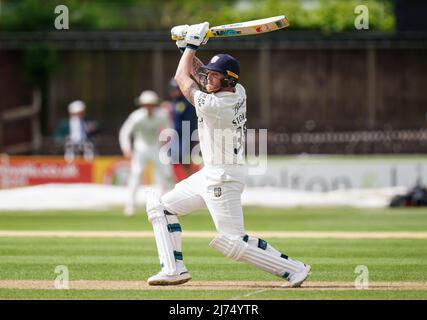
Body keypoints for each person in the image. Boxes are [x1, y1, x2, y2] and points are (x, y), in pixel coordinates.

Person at [144, 23, 311, 287]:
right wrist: (184, 47)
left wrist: (191, 46)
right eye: (209, 74)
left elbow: (183, 79)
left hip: (223, 178)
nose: (208, 78)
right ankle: (173, 269)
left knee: (232, 241)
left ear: (229, 80)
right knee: (161, 207)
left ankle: (294, 269)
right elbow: (197, 72)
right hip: (209, 173)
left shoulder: (216, 105)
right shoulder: (237, 91)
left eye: (215, 76)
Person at [119, 90, 173, 216]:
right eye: (146, 104)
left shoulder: (162, 114)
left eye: (151, 104)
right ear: (142, 105)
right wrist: (126, 148)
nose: (149, 107)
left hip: (156, 146)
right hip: (141, 147)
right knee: (136, 173)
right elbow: (125, 132)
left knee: (167, 174)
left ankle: (172, 204)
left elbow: (169, 129)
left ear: (155, 105)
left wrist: (166, 139)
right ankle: (130, 205)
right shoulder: (136, 116)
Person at [166, 78, 199, 181]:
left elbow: (190, 123)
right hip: (176, 138)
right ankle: (177, 184)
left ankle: (191, 184)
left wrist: (191, 141)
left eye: (175, 89)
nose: (173, 92)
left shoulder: (187, 103)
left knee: (186, 162)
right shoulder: (174, 102)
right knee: (172, 161)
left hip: (185, 137)